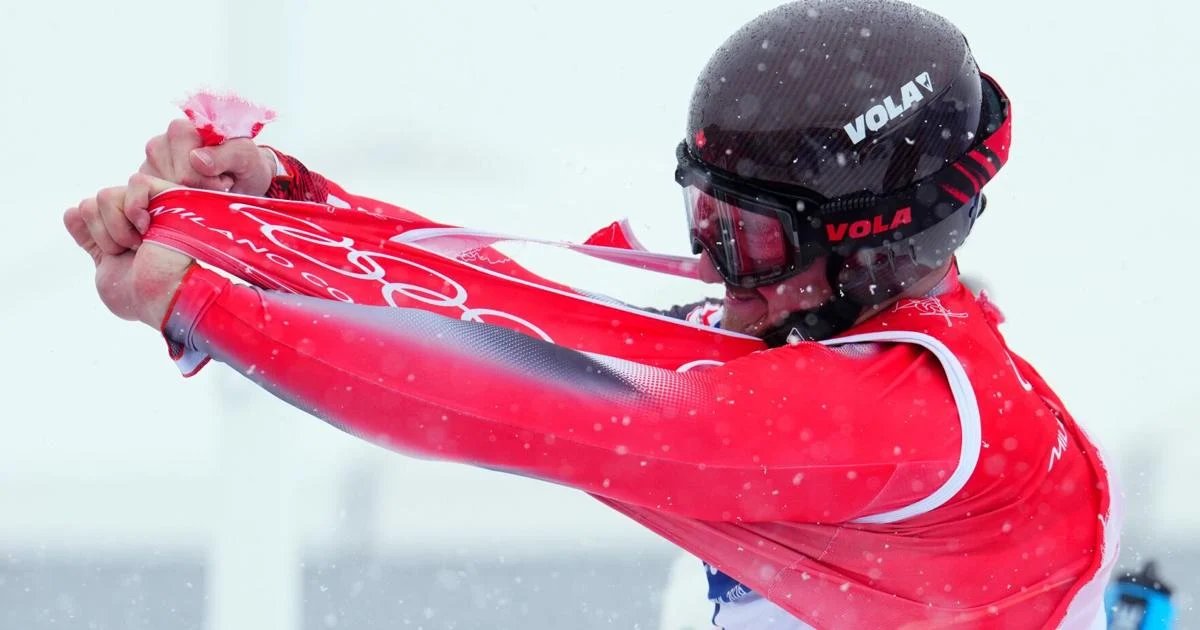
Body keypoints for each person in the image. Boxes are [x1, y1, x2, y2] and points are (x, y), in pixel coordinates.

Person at [63, 1, 1119, 628]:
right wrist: (277, 209)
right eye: (705, 219)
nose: (714, 269)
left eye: (750, 239)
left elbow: (517, 402)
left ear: (872, 247)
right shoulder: (797, 324)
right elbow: (516, 300)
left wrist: (202, 298)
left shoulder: (905, 422)